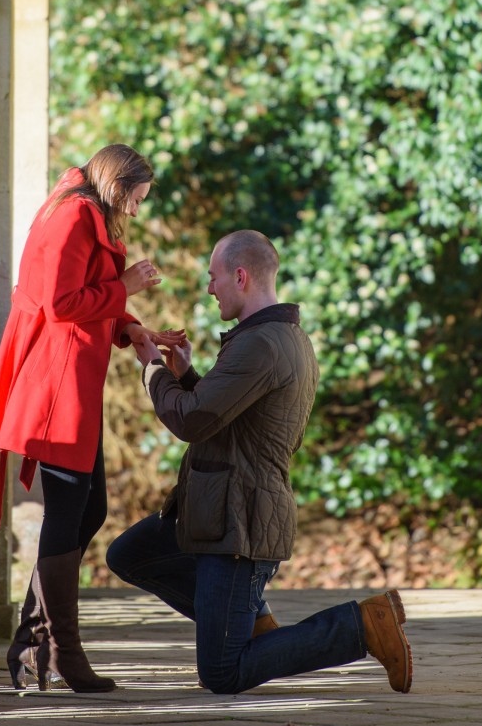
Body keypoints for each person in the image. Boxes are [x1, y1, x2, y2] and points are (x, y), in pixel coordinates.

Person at [108, 229, 413, 695]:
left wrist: (150, 367)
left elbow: (192, 421)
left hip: (239, 521)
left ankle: (362, 626)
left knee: (223, 672)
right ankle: (246, 618)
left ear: (241, 276)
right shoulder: (278, 337)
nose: (210, 289)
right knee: (130, 554)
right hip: (214, 509)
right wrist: (186, 374)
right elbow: (226, 419)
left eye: (214, 278)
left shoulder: (261, 345)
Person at [0, 143, 182, 694]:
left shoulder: (81, 207)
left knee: (89, 509)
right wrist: (128, 287)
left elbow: (87, 298)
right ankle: (57, 651)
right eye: (135, 199)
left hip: (71, 385)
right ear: (117, 187)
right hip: (55, 388)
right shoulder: (73, 213)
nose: (136, 211)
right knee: (70, 514)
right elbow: (64, 303)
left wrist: (131, 327)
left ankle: (34, 641)